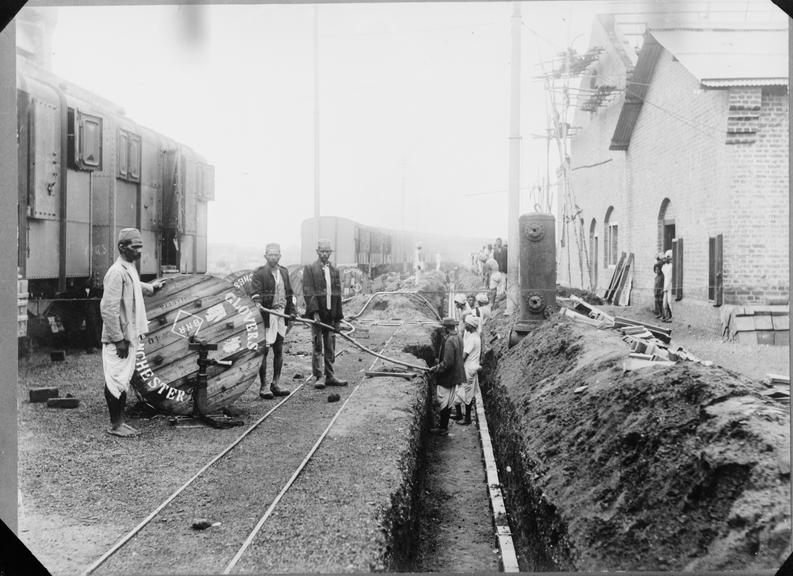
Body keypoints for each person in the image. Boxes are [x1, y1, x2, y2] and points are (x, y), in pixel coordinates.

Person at [100, 228, 165, 437]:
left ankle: (119, 422)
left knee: (123, 379)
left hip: (129, 335)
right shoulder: (116, 272)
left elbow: (134, 284)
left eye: (140, 246)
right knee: (115, 379)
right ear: (121, 247)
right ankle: (115, 424)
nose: (139, 251)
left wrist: (151, 288)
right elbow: (108, 309)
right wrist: (118, 340)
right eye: (134, 247)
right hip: (118, 339)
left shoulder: (129, 268)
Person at [250, 243, 295, 399]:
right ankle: (263, 386)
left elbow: (289, 294)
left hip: (281, 314)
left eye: (276, 255)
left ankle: (275, 383)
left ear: (280, 256)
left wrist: (292, 311)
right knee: (265, 350)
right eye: (270, 254)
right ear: (265, 256)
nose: (273, 257)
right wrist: (258, 303)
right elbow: (255, 293)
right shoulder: (260, 273)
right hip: (267, 315)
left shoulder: (284, 272)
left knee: (279, 349)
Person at [302, 239, 348, 389]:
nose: (325, 254)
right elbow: (308, 292)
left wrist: (338, 318)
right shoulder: (310, 268)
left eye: (327, 251)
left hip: (330, 315)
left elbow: (337, 294)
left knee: (330, 345)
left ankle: (330, 375)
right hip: (318, 315)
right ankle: (319, 376)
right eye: (322, 251)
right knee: (317, 345)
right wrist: (314, 313)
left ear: (330, 252)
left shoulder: (334, 270)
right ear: (317, 252)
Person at [428, 317, 465, 436]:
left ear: (446, 329)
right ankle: (443, 427)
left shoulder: (449, 341)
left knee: (443, 401)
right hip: (455, 375)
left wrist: (436, 368)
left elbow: (448, 363)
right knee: (448, 401)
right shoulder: (458, 337)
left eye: (443, 328)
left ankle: (443, 428)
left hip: (448, 377)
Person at [454, 314, 481, 426]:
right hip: (470, 367)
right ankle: (460, 414)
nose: (464, 325)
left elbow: (464, 356)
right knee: (460, 390)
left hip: (469, 369)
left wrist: (457, 366)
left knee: (467, 393)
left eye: (466, 324)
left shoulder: (473, 339)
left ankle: (467, 418)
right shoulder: (474, 336)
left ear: (470, 325)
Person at [661, 249, 673, 323]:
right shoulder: (665, 267)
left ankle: (672, 316)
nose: (667, 259)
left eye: (668, 257)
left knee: (670, 301)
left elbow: (670, 278)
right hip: (665, 286)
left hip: (670, 286)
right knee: (664, 303)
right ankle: (666, 316)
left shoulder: (671, 266)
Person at [653, 253, 665, 319]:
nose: (657, 271)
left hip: (660, 290)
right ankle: (659, 313)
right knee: (657, 302)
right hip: (656, 291)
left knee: (661, 302)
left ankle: (662, 314)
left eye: (658, 270)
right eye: (656, 270)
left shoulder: (662, 276)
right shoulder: (656, 277)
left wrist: (661, 290)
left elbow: (662, 283)